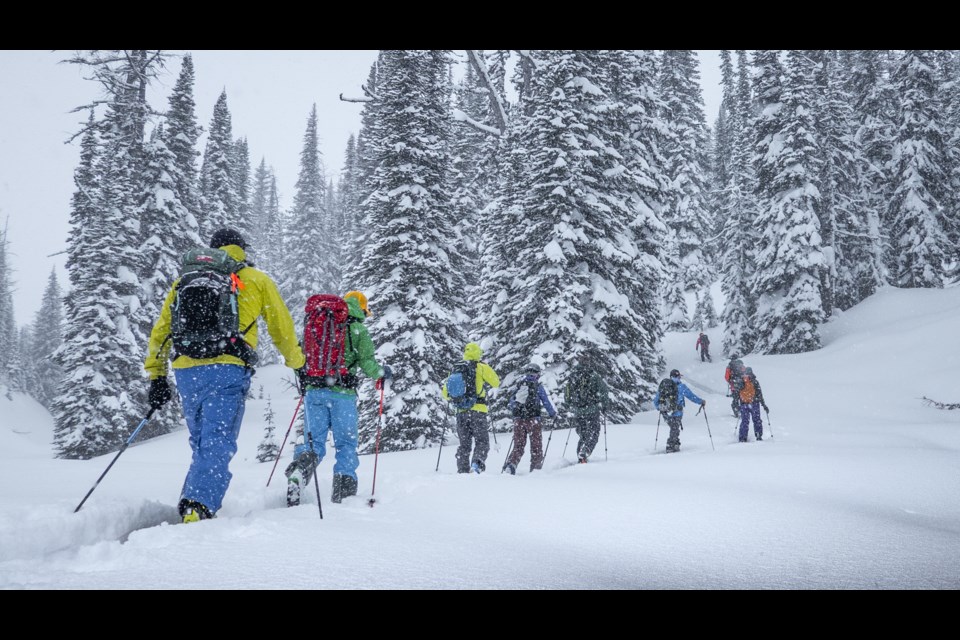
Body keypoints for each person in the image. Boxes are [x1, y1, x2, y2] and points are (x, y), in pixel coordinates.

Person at [145, 228, 306, 523]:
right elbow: (281, 328)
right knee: (217, 441)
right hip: (227, 367)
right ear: (242, 249)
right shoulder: (256, 280)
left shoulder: (186, 281)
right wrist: (298, 364)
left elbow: (162, 330)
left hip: (186, 368)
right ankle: (198, 505)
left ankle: (195, 497)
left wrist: (156, 375)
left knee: (202, 441)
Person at [286, 290, 391, 504]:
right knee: (345, 444)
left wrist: (307, 379)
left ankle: (298, 472)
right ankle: (343, 494)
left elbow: (299, 357)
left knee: (313, 442)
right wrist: (382, 373)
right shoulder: (358, 330)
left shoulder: (317, 325)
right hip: (343, 395)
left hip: (314, 392)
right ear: (361, 309)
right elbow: (368, 363)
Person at [442, 342, 500, 473]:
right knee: (482, 441)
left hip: (461, 413)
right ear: (478, 353)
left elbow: (445, 394)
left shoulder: (456, 369)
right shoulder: (481, 367)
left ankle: (462, 470)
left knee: (464, 444)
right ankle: (476, 465)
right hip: (478, 410)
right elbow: (496, 382)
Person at [503, 363, 557, 474]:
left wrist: (518, 412)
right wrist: (553, 414)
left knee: (518, 445)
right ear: (537, 374)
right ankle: (535, 469)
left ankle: (511, 465)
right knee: (536, 446)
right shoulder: (538, 386)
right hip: (534, 420)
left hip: (519, 420)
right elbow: (546, 402)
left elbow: (511, 402)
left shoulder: (519, 385)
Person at [564, 361, 609, 463]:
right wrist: (605, 405)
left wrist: (569, 405)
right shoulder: (594, 376)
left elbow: (567, 392)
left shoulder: (573, 377)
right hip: (592, 410)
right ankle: (585, 452)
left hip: (578, 411)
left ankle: (581, 455)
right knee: (594, 433)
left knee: (583, 434)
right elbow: (603, 390)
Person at [653, 369, 705, 453]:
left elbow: (655, 401)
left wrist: (661, 408)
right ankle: (670, 446)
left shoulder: (664, 386)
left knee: (674, 428)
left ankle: (675, 443)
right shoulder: (681, 387)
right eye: (678, 377)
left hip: (666, 413)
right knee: (675, 428)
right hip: (677, 412)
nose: (678, 378)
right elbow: (691, 396)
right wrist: (701, 401)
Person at [733, 366, 768, 442]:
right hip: (754, 403)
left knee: (745, 421)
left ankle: (743, 438)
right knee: (757, 420)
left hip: (744, 404)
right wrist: (763, 404)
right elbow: (759, 394)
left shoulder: (741, 381)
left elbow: (736, 394)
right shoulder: (754, 382)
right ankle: (758, 435)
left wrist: (736, 404)